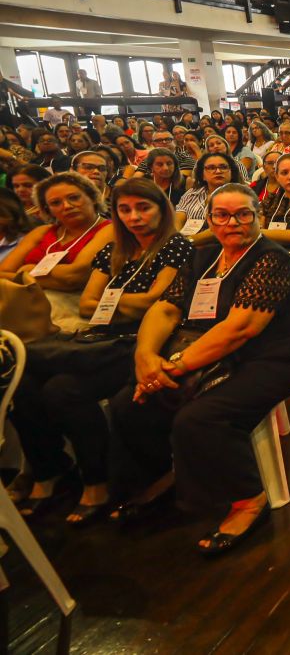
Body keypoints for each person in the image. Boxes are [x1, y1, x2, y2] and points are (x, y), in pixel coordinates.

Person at [108, 183, 290, 554]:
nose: (231, 222)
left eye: (243, 214)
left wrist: (171, 367)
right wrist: (145, 356)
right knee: (127, 404)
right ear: (211, 219)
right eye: (221, 215)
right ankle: (168, 477)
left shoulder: (271, 259)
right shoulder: (201, 257)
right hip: (207, 353)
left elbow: (240, 330)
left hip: (271, 356)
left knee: (201, 417)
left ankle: (249, 500)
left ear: (259, 217)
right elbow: (166, 309)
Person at [7, 180, 191, 523]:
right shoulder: (115, 250)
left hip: (144, 341)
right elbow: (88, 305)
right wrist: (122, 304)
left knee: (43, 376)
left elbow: (156, 304)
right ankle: (55, 471)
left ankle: (96, 480)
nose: (134, 217)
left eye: (143, 208)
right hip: (98, 338)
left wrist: (112, 302)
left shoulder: (176, 246)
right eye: (125, 210)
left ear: (162, 209)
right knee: (34, 386)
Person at [0, 172, 114, 331]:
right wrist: (50, 278)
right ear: (48, 210)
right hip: (25, 308)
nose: (67, 206)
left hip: (72, 311)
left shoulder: (109, 229)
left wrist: (25, 271)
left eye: (74, 198)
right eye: (56, 203)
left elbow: (74, 276)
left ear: (93, 197)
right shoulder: (42, 231)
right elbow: (2, 273)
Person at [176, 151, 242, 242]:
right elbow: (178, 218)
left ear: (231, 172)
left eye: (223, 167)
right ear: (202, 175)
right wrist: (176, 237)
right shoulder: (192, 193)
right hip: (186, 242)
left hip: (217, 245)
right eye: (211, 168)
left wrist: (188, 241)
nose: (218, 171)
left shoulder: (240, 195)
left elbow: (221, 227)